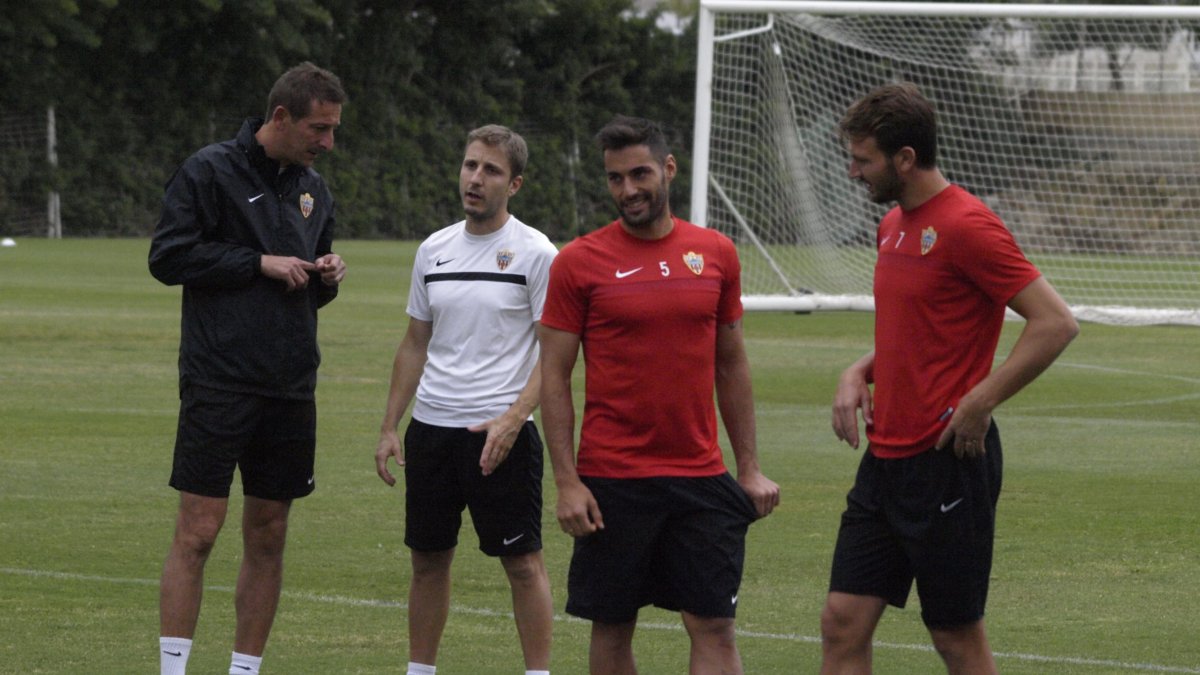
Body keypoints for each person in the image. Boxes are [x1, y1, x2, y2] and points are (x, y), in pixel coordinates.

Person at [822, 83, 1079, 674]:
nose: (853, 172)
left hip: (946, 459)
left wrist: (980, 401)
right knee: (842, 621)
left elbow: (1055, 323)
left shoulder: (968, 225)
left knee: (955, 637)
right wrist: (859, 369)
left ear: (905, 158)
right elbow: (918, 327)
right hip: (885, 460)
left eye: (863, 160)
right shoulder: (892, 224)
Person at [538, 115, 781, 675]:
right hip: (613, 480)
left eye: (640, 174)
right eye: (615, 178)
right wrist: (568, 482)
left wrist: (748, 467)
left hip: (700, 477)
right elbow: (554, 376)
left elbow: (731, 363)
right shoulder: (578, 262)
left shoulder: (716, 252)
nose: (628, 189)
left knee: (714, 626)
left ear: (668, 168)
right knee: (612, 627)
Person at [149, 62, 347, 675]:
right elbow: (168, 256)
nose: (328, 142)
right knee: (199, 531)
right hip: (219, 380)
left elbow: (306, 284)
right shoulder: (209, 170)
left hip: (290, 385)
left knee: (269, 534)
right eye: (319, 128)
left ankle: (245, 670)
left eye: (334, 130)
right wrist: (257, 262)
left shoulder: (315, 190)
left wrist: (326, 274)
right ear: (281, 117)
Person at [374, 125, 557, 675]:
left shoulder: (537, 253)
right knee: (428, 561)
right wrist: (390, 425)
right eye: (470, 165)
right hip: (431, 431)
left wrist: (515, 417)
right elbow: (415, 342)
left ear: (514, 184)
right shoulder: (434, 249)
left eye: (491, 170)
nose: (475, 178)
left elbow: (556, 355)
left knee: (522, 564)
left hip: (499, 435)